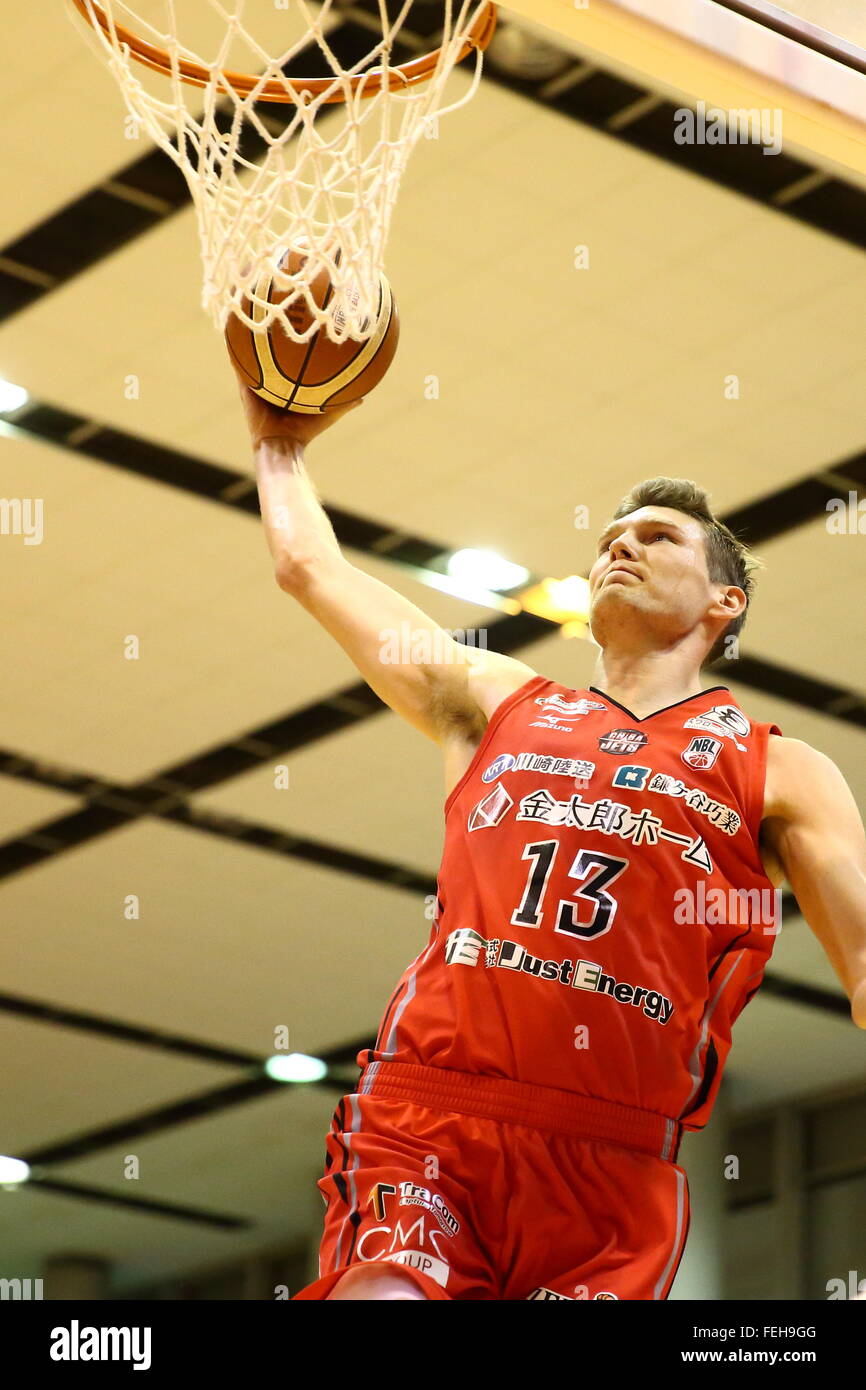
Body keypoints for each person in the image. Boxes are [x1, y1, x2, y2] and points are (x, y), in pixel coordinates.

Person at [236, 384, 866, 1301]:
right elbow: (310, 569)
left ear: (724, 602)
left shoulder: (781, 770)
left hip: (611, 1169)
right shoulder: (496, 701)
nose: (623, 546)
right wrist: (278, 448)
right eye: (612, 537)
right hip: (429, 1121)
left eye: (659, 538)